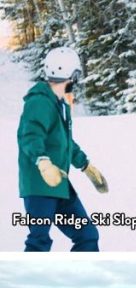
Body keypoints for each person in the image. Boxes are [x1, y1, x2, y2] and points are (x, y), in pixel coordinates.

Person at [17, 46, 108, 251]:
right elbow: (29, 136)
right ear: (70, 73)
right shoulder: (39, 102)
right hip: (39, 185)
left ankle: (82, 280)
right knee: (39, 240)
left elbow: (67, 143)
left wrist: (86, 166)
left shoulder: (61, 105)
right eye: (76, 75)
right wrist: (43, 162)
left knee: (87, 235)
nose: (76, 81)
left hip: (60, 185)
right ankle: (26, 283)